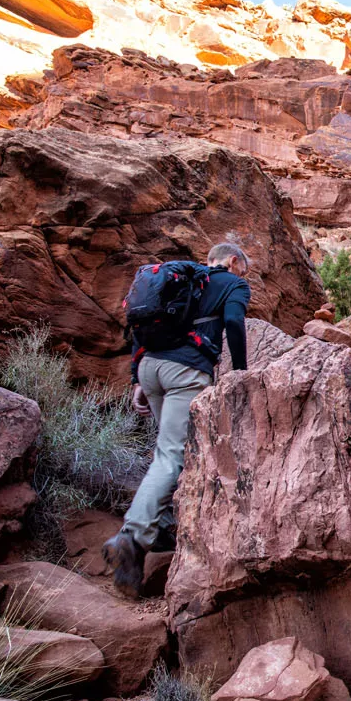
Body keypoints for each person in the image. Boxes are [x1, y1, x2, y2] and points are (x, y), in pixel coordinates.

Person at [102, 243, 251, 598]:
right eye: (242, 269)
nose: (242, 276)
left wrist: (137, 379)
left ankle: (163, 527)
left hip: (151, 368)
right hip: (186, 372)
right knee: (172, 456)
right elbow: (233, 321)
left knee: (169, 452)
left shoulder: (178, 281)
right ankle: (133, 538)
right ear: (233, 261)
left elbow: (139, 326)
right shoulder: (233, 283)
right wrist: (242, 373)